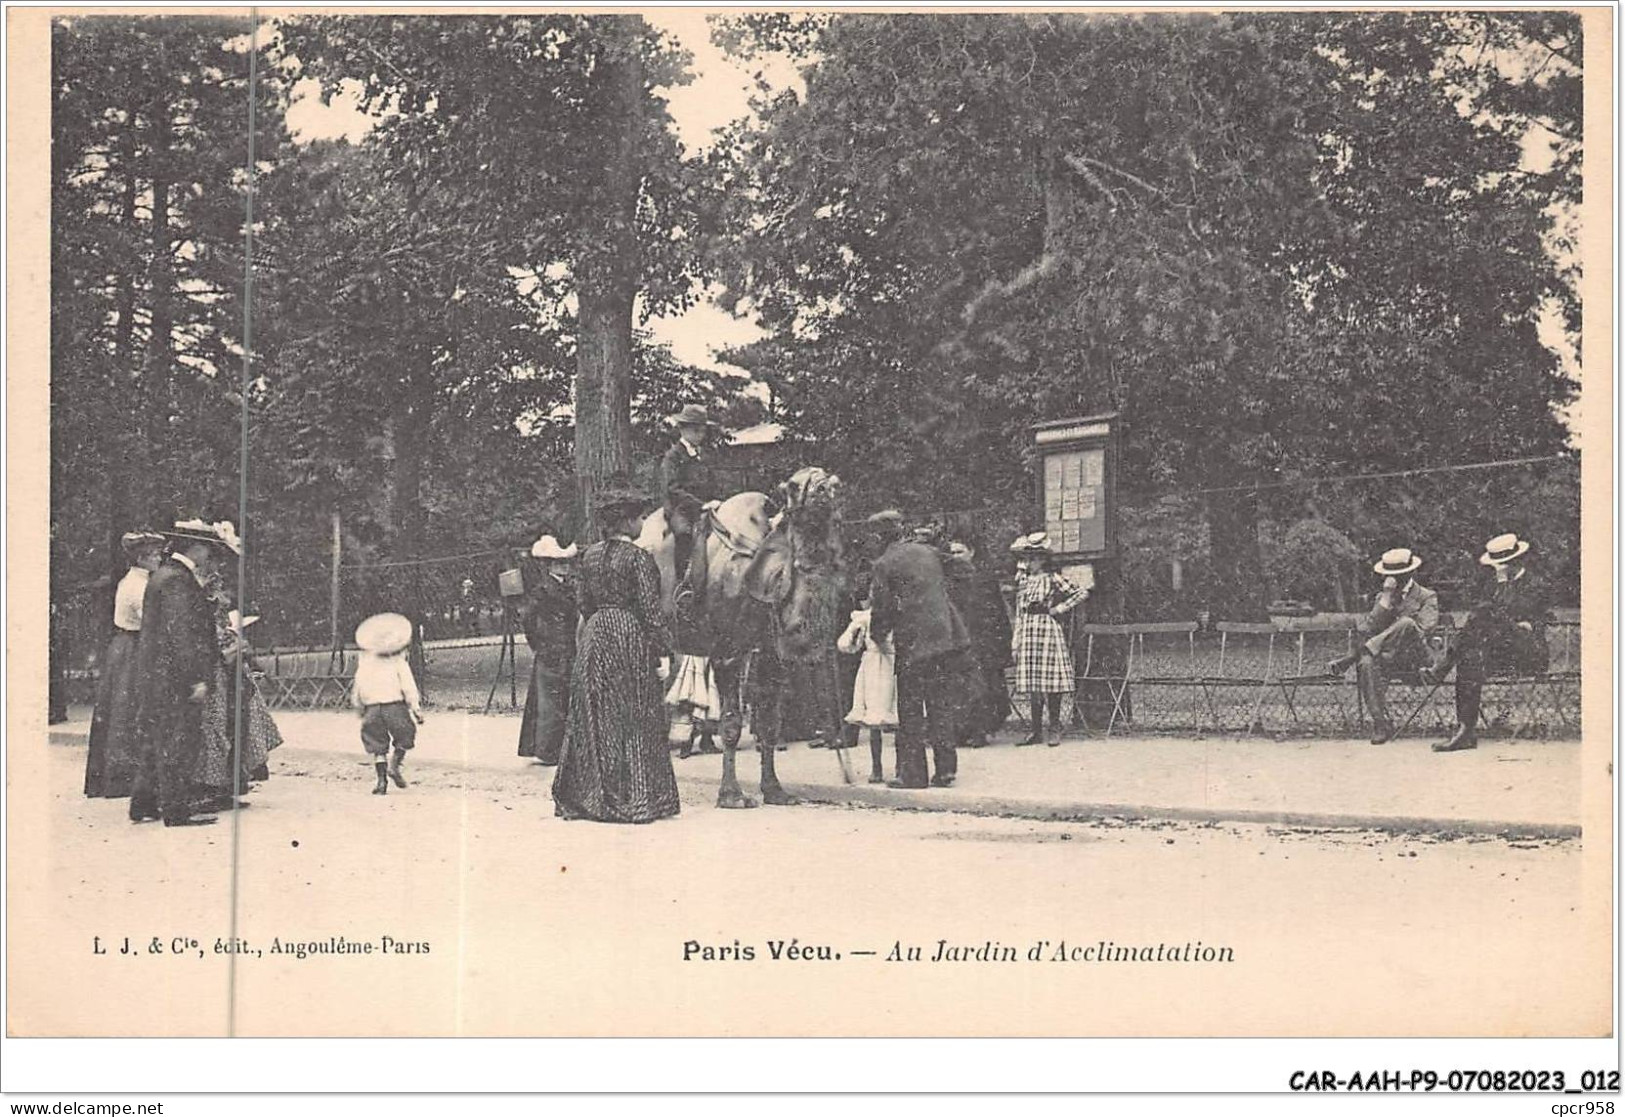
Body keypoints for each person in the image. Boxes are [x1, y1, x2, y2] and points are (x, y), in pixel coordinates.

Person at [552, 482, 681, 823]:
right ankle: (635, 799)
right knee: (632, 713)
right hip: (626, 634)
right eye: (639, 518)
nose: (642, 524)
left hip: (595, 634)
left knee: (594, 714)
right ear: (625, 523)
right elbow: (651, 612)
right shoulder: (639, 558)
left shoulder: (588, 556)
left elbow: (582, 602)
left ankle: (588, 797)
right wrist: (662, 653)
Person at [127, 520, 242, 827]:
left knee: (158, 737)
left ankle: (143, 803)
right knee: (180, 739)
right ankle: (176, 810)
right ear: (197, 548)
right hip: (175, 676)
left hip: (157, 673)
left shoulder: (164, 575)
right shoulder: (178, 579)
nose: (209, 555)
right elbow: (182, 635)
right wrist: (196, 678)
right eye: (208, 549)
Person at [867, 510, 972, 789]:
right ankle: (946, 769)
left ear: (879, 536)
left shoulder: (884, 563)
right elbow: (965, 569)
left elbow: (881, 610)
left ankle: (912, 775)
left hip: (913, 642)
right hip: (946, 638)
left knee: (911, 709)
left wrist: (877, 637)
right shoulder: (928, 552)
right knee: (940, 705)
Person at [1424, 533, 1550, 753]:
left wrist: (1502, 587)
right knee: (1469, 659)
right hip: (1499, 653)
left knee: (1481, 614)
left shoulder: (1535, 584)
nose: (1497, 571)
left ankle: (1442, 667)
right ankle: (1466, 731)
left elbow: (1508, 614)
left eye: (1500, 566)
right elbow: (1499, 618)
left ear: (1515, 562)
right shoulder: (1495, 585)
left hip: (1529, 654)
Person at [1327, 547, 1441, 743]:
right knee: (1366, 663)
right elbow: (1369, 629)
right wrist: (1387, 597)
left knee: (1407, 623)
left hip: (1417, 658)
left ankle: (1350, 658)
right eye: (1389, 574)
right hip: (1388, 660)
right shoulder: (1383, 598)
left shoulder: (1427, 596)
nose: (1393, 578)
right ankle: (1381, 724)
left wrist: (1397, 628)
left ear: (1411, 572)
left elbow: (1424, 629)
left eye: (1398, 574)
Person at [85, 531, 167, 797]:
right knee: (128, 710)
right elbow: (151, 623)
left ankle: (121, 775)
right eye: (155, 554)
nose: (159, 558)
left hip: (124, 646)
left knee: (122, 709)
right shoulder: (139, 586)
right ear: (142, 558)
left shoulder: (132, 580)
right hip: (132, 647)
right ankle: (123, 778)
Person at [192, 601, 282, 811]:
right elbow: (221, 656)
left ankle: (227, 787)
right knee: (218, 735)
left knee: (235, 734)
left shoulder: (227, 633)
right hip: (220, 686)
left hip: (234, 685)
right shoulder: (213, 633)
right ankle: (213, 789)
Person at [1010, 533, 1087, 747]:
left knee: (1051, 680)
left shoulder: (1052, 578)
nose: (1031, 562)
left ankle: (1054, 726)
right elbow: (1019, 610)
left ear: (1044, 559)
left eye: (1035, 558)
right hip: (1028, 630)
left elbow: (1080, 593)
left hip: (1047, 628)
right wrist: (1016, 638)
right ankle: (1036, 730)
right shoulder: (1023, 580)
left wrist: (1057, 609)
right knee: (1033, 681)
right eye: (1028, 558)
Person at [945, 539, 1014, 747]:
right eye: (952, 552)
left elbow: (998, 612)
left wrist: (1002, 643)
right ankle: (960, 731)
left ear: (971, 551)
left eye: (960, 551)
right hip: (957, 642)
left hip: (983, 642)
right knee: (958, 688)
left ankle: (980, 731)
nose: (956, 556)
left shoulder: (984, 579)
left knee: (983, 687)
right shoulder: (947, 581)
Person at [517, 535, 579, 766]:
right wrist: (540, 645)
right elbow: (528, 619)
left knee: (565, 698)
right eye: (558, 563)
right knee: (549, 702)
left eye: (565, 562)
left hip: (568, 648)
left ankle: (564, 748)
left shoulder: (569, 588)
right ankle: (548, 750)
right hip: (551, 650)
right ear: (548, 565)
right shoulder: (542, 590)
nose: (564, 567)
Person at [353, 612, 425, 794]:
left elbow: (358, 686)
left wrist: (359, 707)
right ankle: (395, 764)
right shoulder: (398, 662)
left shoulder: (366, 663)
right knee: (406, 734)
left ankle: (381, 781)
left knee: (377, 744)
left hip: (372, 708)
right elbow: (408, 686)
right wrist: (415, 708)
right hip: (395, 706)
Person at [658, 403, 721, 605]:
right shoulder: (673, 456)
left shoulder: (704, 455)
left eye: (702, 429)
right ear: (683, 429)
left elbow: (711, 482)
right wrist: (700, 505)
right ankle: (681, 584)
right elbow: (672, 488)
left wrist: (715, 500)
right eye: (695, 429)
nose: (700, 434)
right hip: (681, 508)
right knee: (684, 534)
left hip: (705, 505)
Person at [838, 580, 898, 784]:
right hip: (890, 664)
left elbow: (845, 645)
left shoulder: (867, 618)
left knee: (878, 719)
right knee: (890, 715)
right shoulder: (894, 615)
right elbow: (846, 644)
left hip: (877, 666)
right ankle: (895, 767)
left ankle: (878, 768)